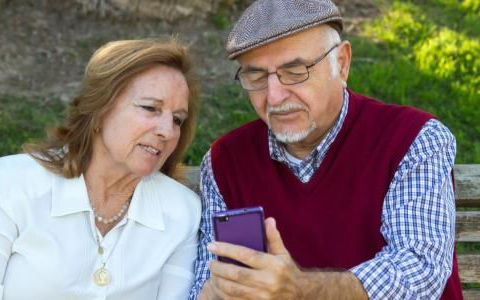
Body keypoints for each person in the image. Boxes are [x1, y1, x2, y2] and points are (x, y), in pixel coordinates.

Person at [189, 1, 463, 299]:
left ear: (342, 63)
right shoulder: (225, 162)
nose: (275, 96)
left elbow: (419, 272)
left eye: (295, 71)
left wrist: (301, 289)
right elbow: (208, 278)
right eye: (256, 77)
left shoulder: (412, 140)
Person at [0, 38, 201, 300]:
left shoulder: (182, 211)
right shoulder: (9, 185)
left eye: (177, 120)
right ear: (99, 109)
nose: (167, 131)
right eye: (150, 108)